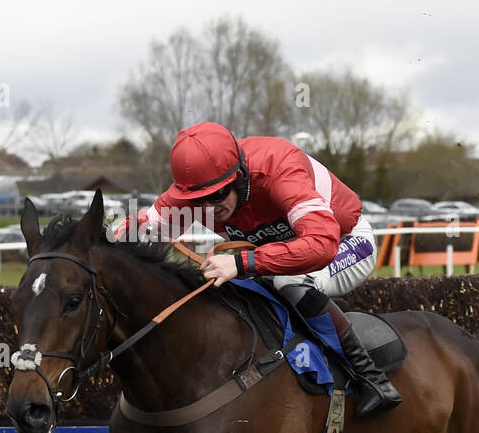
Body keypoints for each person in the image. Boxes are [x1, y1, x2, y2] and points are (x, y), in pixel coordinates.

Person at [111, 121, 401, 416]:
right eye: (198, 202)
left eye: (218, 196)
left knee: (290, 281)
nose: (209, 208)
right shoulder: (197, 190)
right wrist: (110, 236)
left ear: (240, 175)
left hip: (344, 243)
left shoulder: (279, 170)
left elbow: (320, 245)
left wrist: (240, 262)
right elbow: (148, 229)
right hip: (279, 257)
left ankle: (372, 379)